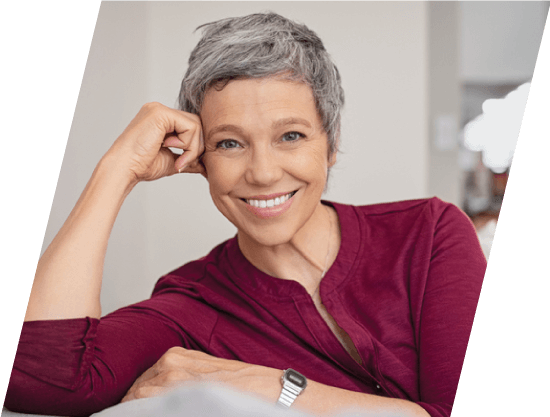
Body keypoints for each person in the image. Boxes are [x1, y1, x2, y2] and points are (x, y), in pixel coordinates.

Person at [5, 12, 486, 417]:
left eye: (290, 136)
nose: (261, 172)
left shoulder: (429, 234)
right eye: (230, 143)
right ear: (200, 159)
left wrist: (277, 388)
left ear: (331, 143)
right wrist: (117, 170)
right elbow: (41, 376)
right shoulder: (192, 304)